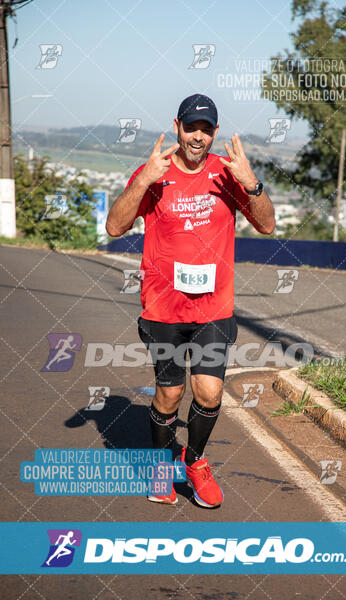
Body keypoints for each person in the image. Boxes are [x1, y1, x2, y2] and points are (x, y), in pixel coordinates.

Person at [106, 94, 275, 508]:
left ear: (214, 133)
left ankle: (195, 462)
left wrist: (250, 182)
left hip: (213, 309)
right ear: (177, 127)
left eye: (206, 129)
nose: (198, 136)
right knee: (169, 394)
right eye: (190, 127)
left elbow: (268, 225)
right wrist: (144, 180)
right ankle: (163, 464)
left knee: (210, 393)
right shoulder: (155, 173)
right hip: (163, 309)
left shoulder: (227, 174)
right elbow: (114, 226)